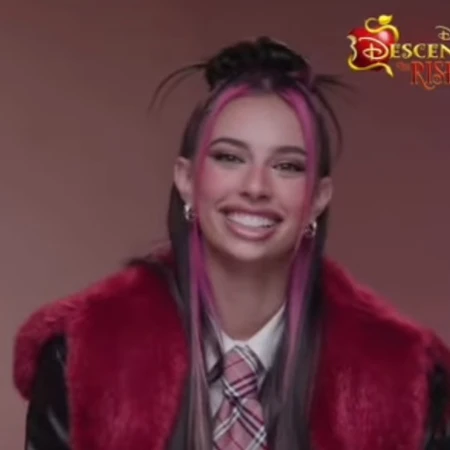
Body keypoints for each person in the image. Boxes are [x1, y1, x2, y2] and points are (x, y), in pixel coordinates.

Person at [13, 37, 450, 450]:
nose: (256, 187)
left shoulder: (404, 375)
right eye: (229, 157)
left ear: (318, 199)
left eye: (287, 166)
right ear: (187, 179)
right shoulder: (82, 352)